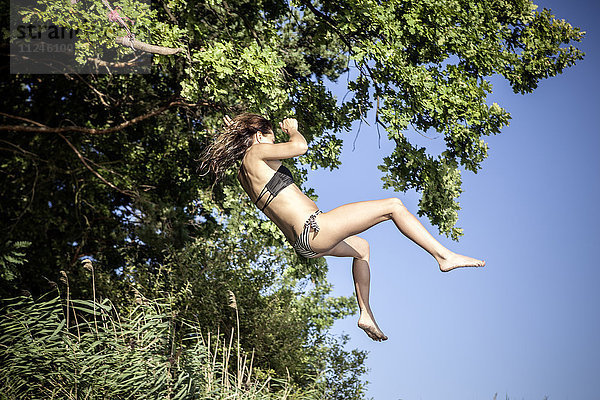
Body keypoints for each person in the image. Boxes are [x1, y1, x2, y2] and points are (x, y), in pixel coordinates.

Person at [200, 113, 485, 342]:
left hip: (304, 245)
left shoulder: (243, 173)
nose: (273, 143)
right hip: (315, 228)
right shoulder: (258, 151)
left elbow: (254, 148)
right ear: (260, 136)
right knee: (394, 206)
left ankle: (366, 313)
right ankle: (443, 256)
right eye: (270, 136)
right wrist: (292, 130)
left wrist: (237, 127)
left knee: (362, 249)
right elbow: (300, 147)